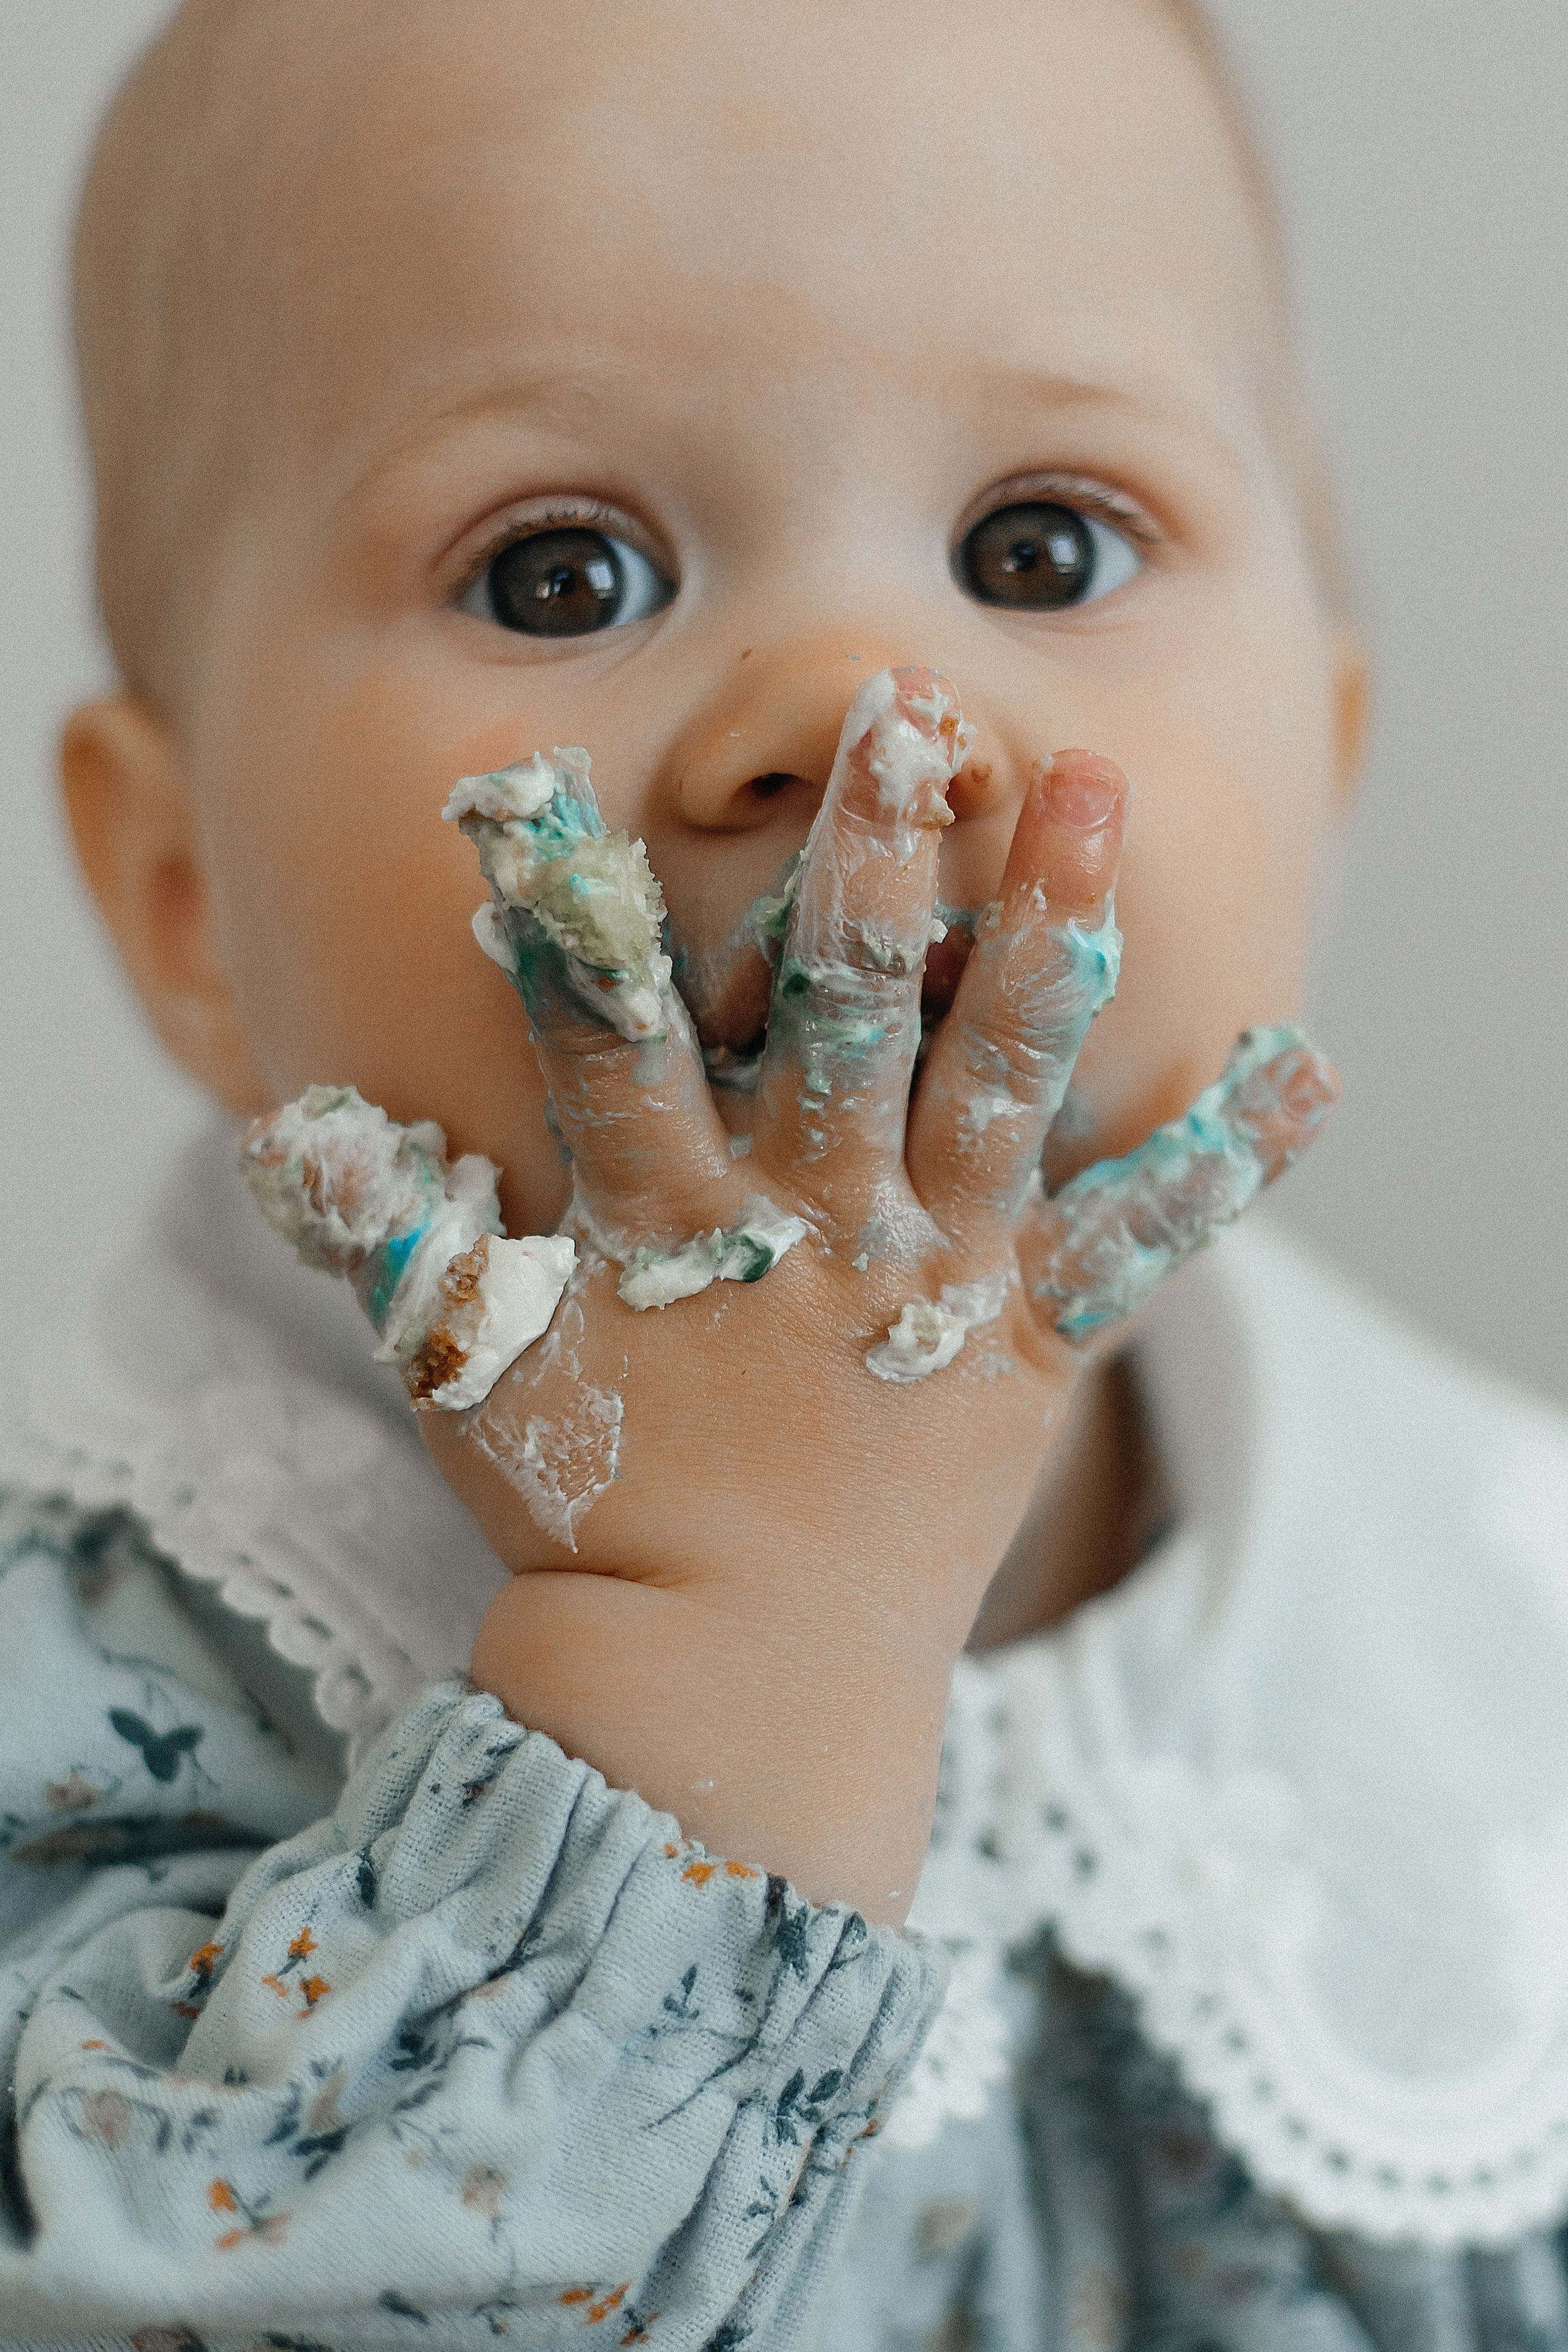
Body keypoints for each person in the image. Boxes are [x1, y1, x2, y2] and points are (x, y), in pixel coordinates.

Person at [3, 0, 1566, 2343]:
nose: (866, 718)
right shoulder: (95, 1681)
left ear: (1326, 760)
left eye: (1039, 545)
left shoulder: (1492, 1624)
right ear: (185, 904)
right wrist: (728, 1664)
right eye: (561, 574)